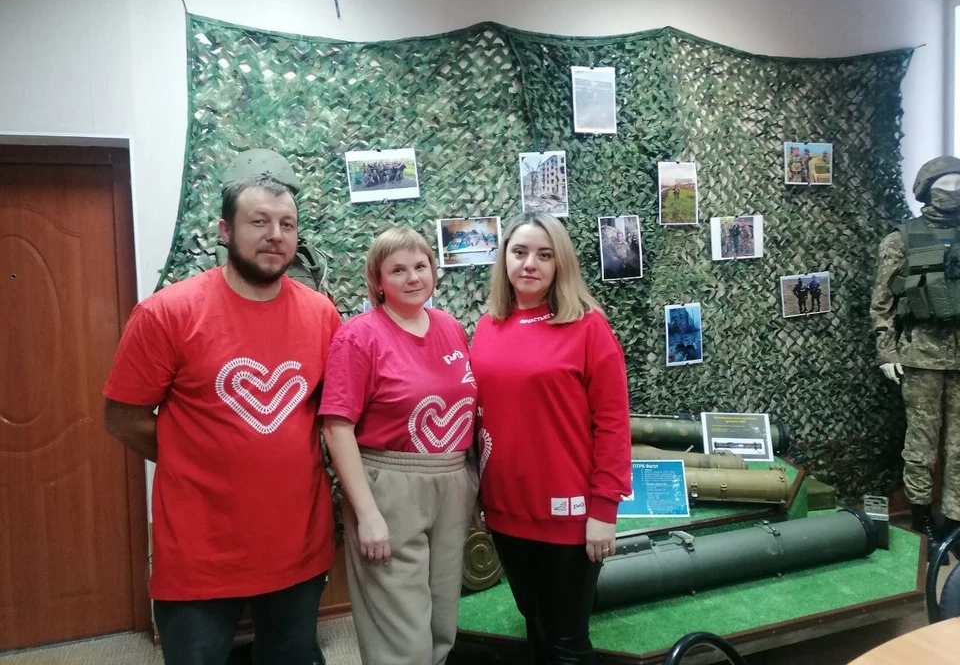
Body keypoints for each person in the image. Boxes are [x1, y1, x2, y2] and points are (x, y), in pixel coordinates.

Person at [102, 149, 342, 665]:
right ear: (225, 231)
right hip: (199, 553)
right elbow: (122, 418)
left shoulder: (322, 315)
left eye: (287, 224)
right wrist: (194, 458)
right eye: (258, 221)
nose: (275, 234)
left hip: (297, 545)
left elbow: (330, 415)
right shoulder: (167, 314)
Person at [470, 211, 632, 664]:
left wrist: (604, 509)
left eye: (544, 255)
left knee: (566, 642)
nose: (530, 264)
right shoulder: (487, 327)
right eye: (520, 252)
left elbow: (613, 423)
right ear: (504, 258)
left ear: (560, 263)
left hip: (571, 516)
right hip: (506, 513)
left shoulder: (588, 327)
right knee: (535, 626)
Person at [319, 226, 478, 665]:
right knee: (401, 637)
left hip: (452, 480)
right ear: (377, 280)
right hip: (390, 485)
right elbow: (336, 427)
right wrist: (368, 513)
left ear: (434, 271)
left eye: (420, 266)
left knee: (441, 624)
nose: (413, 278)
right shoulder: (359, 336)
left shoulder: (450, 327)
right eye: (398, 270)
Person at [872, 156, 960, 558]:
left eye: (959, 185)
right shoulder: (902, 239)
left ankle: (955, 522)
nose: (954, 193)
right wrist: (886, 350)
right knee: (921, 443)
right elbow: (882, 303)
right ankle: (921, 516)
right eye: (945, 186)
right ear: (927, 190)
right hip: (920, 356)